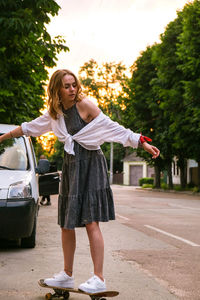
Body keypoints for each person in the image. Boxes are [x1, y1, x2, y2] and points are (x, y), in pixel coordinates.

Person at [0, 69, 160, 293]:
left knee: (90, 221)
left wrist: (140, 141)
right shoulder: (54, 115)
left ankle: (99, 278)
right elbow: (29, 127)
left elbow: (112, 126)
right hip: (72, 166)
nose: (72, 89)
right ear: (57, 89)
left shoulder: (85, 106)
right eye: (67, 86)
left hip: (91, 166)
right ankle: (66, 275)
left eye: (74, 84)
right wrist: (3, 137)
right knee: (66, 223)